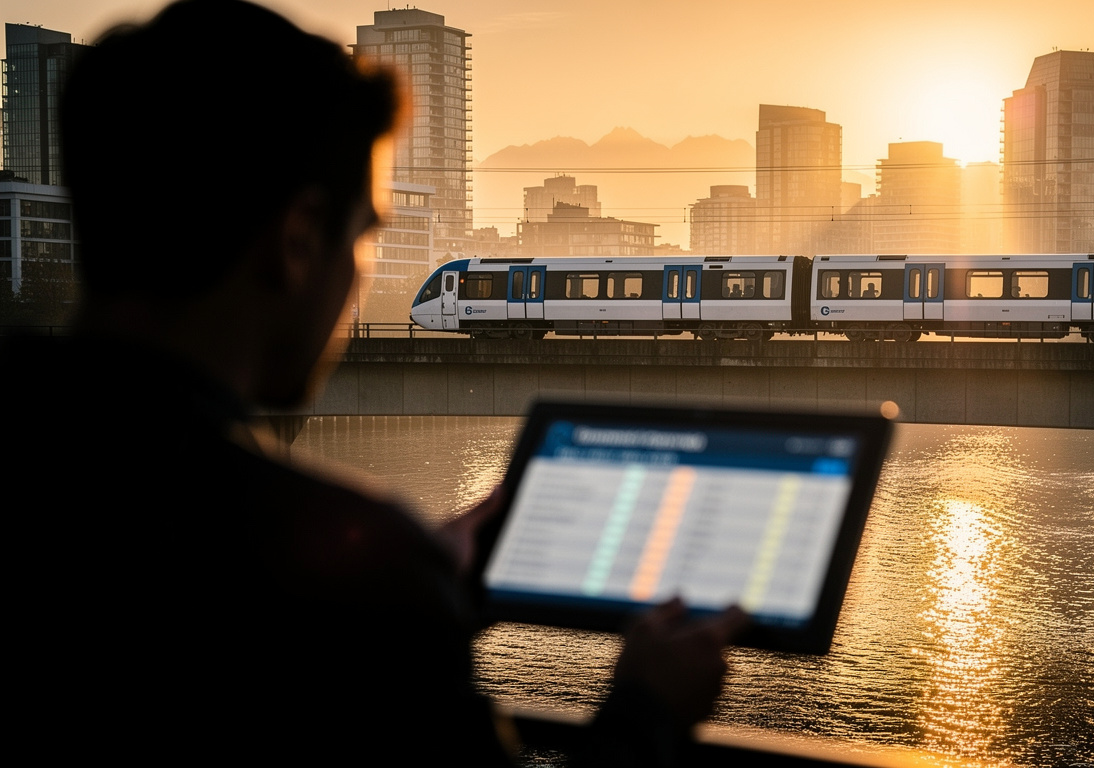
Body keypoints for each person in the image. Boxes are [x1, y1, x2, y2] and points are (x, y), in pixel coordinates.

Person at [2, 1, 744, 762]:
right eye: (364, 236)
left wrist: (434, 588)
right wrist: (646, 710)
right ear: (298, 241)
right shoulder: (356, 576)